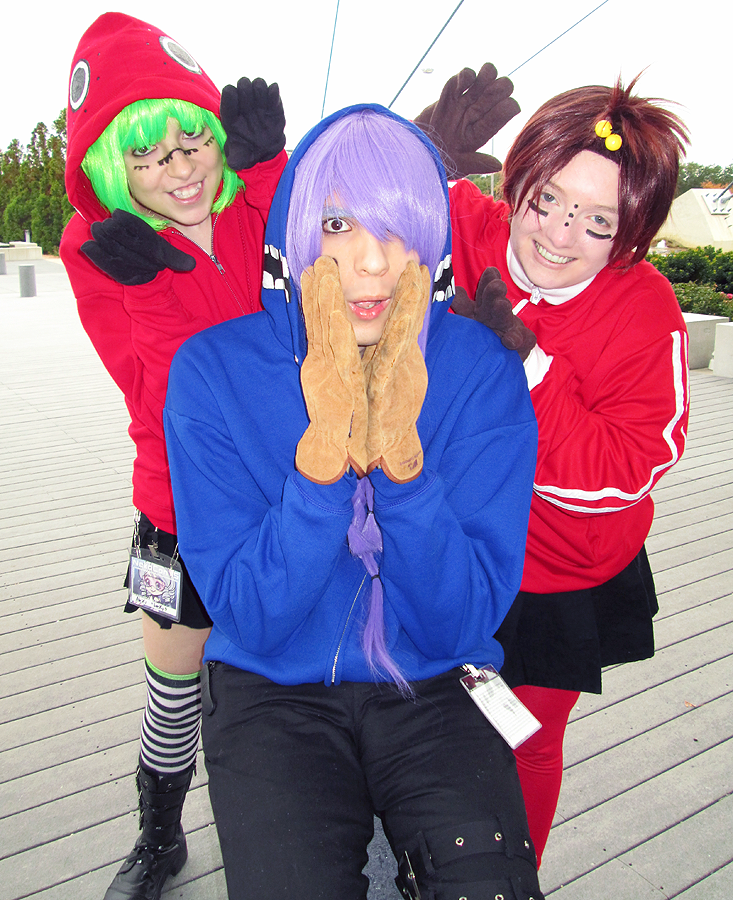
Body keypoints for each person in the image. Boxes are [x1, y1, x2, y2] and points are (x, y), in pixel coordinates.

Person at [163, 105, 544, 900]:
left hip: (438, 679)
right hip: (273, 686)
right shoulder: (212, 372)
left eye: (400, 227)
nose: (372, 261)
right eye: (336, 224)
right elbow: (251, 615)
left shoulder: (480, 372)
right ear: (293, 232)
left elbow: (459, 621)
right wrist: (319, 464)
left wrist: (403, 468)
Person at [421, 73, 690, 865]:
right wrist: (417, 152)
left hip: (552, 575)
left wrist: (528, 368)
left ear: (628, 234)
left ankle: (513, 875)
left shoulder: (643, 310)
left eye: (597, 222)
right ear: (518, 183)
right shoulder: (462, 223)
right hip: (440, 539)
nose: (559, 237)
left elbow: (629, 465)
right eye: (546, 201)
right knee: (422, 719)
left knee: (526, 737)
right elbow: (343, 207)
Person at [59, 13, 287, 900]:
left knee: (299, 676)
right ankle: (159, 837)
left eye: (193, 139)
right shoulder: (100, 251)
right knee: (173, 685)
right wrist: (153, 288)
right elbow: (157, 394)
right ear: (110, 169)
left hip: (292, 492)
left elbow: (305, 309)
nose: (181, 169)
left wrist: (269, 174)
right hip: (178, 503)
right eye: (147, 156)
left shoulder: (257, 202)